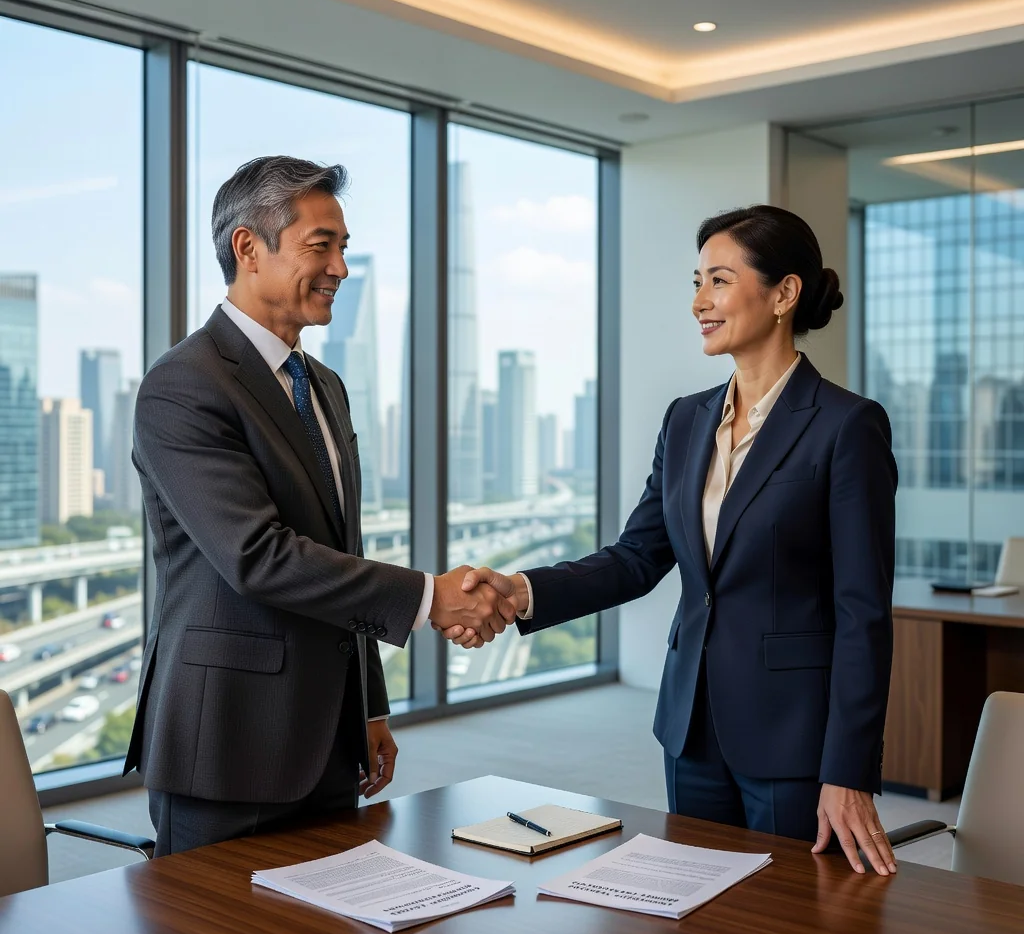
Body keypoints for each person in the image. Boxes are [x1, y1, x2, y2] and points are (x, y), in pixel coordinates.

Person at [445, 205, 899, 877]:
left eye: (718, 280)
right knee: (696, 911)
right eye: (696, 282)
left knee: (793, 930)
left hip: (794, 739)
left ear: (783, 293)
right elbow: (637, 558)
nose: (698, 303)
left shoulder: (846, 426)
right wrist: (520, 590)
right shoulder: (686, 421)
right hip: (689, 727)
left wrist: (848, 769)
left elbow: (864, 614)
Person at [126, 155, 513, 856]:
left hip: (329, 739)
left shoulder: (322, 385)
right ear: (249, 247)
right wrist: (431, 597)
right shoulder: (184, 384)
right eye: (321, 246)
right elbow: (258, 556)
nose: (339, 266)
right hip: (228, 746)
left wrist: (367, 703)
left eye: (343, 248)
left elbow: (339, 554)